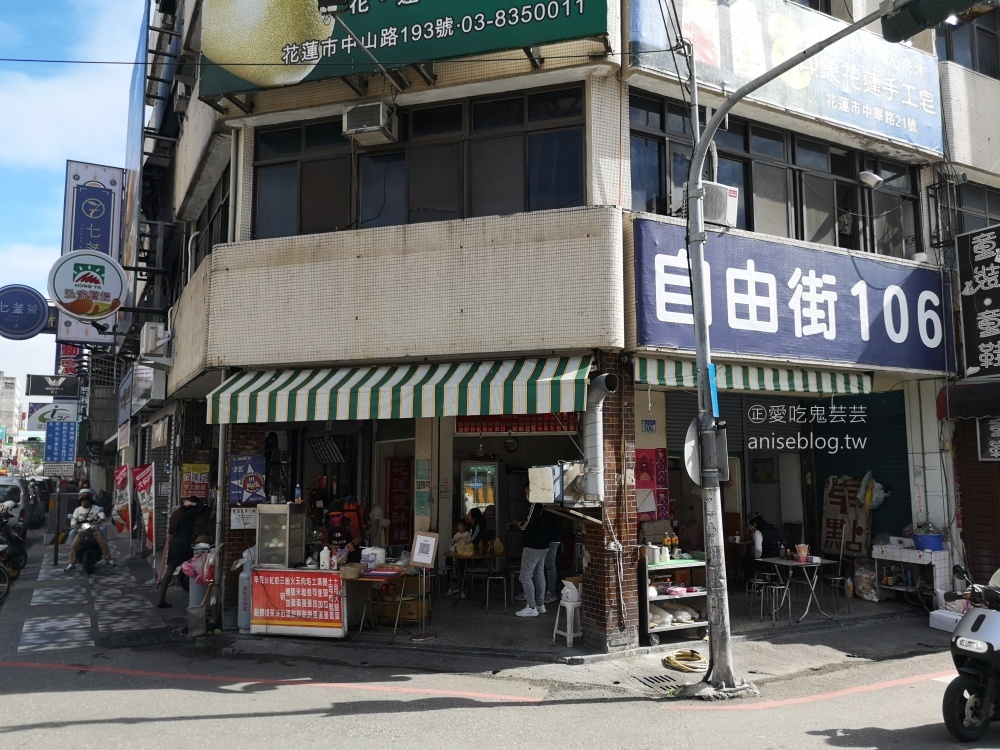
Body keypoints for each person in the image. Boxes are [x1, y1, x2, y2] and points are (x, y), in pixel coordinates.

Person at [157, 496, 208, 608]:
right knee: (196, 567)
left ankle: (161, 600)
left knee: (169, 572)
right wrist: (193, 504)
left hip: (175, 544)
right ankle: (197, 596)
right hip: (184, 545)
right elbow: (205, 508)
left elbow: (171, 530)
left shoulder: (176, 514)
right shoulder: (188, 515)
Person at [512, 489, 550, 618]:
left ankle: (531, 606)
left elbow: (529, 523)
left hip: (532, 545)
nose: (526, 495)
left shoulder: (535, 503)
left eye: (527, 491)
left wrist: (520, 526)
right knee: (539, 575)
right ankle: (540, 605)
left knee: (525, 576)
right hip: (544, 544)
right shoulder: (548, 503)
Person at [64, 489, 114, 571]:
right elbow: (74, 518)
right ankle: (71, 563)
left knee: (103, 543)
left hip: (93, 528)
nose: (84, 502)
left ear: (89, 501)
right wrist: (73, 524)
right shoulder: (77, 510)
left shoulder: (96, 508)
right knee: (74, 545)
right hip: (81, 529)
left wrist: (101, 518)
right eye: (82, 501)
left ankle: (108, 560)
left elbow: (101, 514)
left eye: (85, 501)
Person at [743, 512, 783, 580]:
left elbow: (758, 549)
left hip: (765, 559)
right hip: (778, 558)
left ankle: (752, 583)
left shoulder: (758, 532)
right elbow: (781, 544)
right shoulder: (774, 527)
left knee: (745, 560)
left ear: (755, 523)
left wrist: (756, 557)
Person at [542, 506, 564, 605]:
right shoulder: (557, 505)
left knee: (549, 565)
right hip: (552, 536)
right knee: (547, 565)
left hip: (551, 537)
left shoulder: (552, 506)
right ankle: (547, 592)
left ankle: (551, 593)